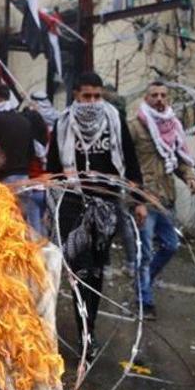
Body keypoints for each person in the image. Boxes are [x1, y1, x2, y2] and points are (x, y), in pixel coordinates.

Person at [47, 72, 146, 362]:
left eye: (97, 96)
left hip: (106, 206)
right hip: (73, 206)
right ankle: (83, 330)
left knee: (96, 272)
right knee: (77, 271)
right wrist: (51, 200)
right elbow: (54, 168)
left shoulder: (114, 121)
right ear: (75, 95)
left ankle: (88, 332)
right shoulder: (63, 124)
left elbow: (130, 160)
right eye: (86, 96)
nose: (92, 102)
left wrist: (138, 201)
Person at [125, 81, 195, 316]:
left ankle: (142, 282)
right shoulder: (135, 127)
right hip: (145, 199)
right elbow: (126, 165)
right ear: (146, 98)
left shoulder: (173, 125)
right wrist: (137, 200)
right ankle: (144, 301)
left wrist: (189, 176)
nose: (159, 99)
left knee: (171, 245)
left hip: (167, 198)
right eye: (154, 95)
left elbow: (178, 158)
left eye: (163, 95)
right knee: (144, 252)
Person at [0, 85, 44, 237]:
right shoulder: (24, 120)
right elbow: (31, 152)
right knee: (22, 220)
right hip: (24, 177)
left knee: (3, 222)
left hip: (3, 179)